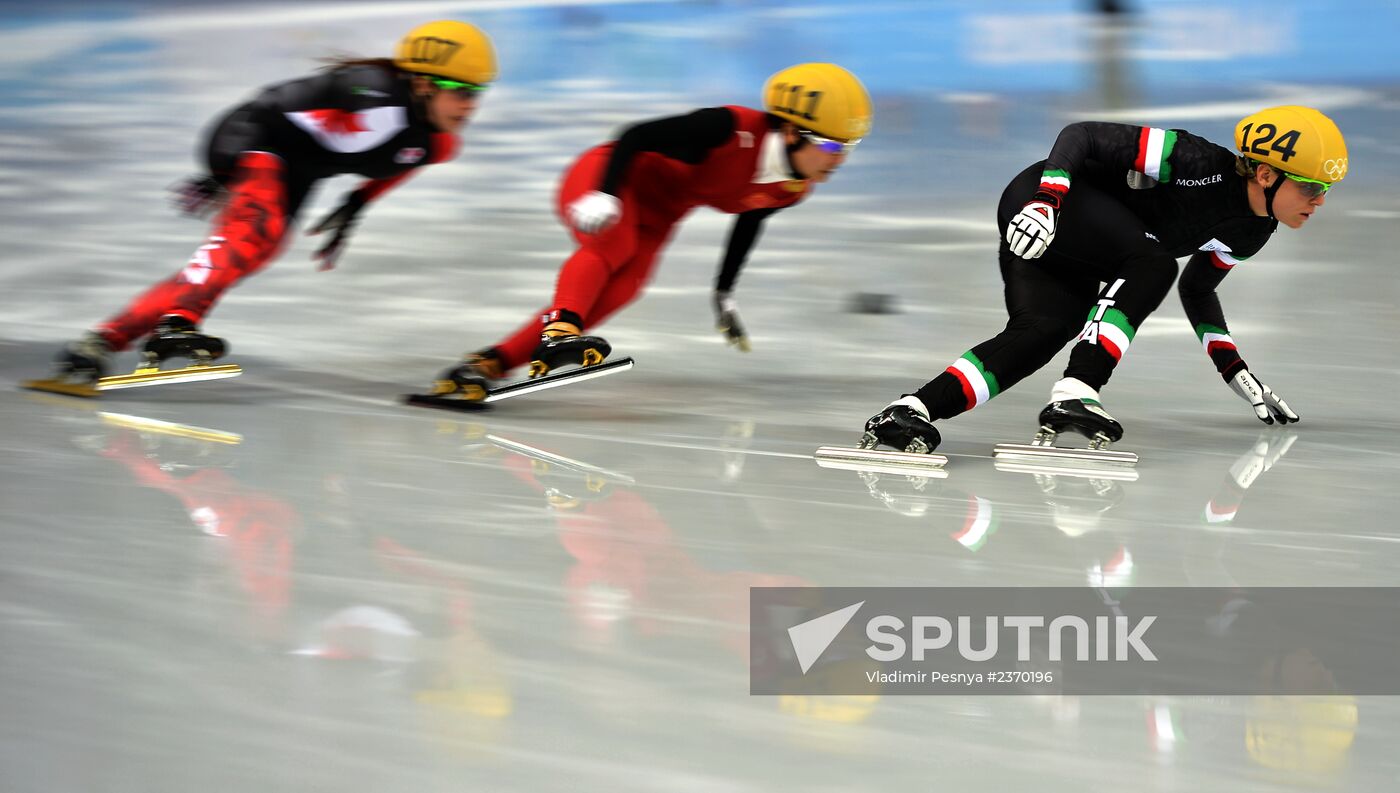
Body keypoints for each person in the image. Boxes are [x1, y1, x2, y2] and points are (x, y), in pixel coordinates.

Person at [860, 106, 1348, 453]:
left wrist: (1231, 367)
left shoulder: (1252, 232)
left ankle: (912, 410)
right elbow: (1083, 135)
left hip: (1085, 249)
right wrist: (1046, 202)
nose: (1320, 200)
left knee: (1045, 329)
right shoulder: (1195, 160)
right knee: (1154, 261)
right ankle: (1077, 392)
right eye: (1312, 186)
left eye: (1326, 189)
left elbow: (1199, 289)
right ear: (1266, 174)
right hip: (1042, 202)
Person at [42, 20, 497, 383]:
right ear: (421, 84)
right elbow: (268, 103)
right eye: (461, 92)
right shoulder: (371, 88)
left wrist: (359, 200)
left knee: (254, 250)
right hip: (255, 137)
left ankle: (101, 341)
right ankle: (179, 322)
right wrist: (221, 172)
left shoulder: (438, 142)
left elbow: (406, 160)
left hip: (298, 171)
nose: (470, 106)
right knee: (252, 233)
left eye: (478, 94)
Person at [431, 63, 872, 395]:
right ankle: (559, 333)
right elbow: (636, 135)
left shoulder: (793, 188)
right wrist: (605, 193)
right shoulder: (729, 128)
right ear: (793, 130)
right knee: (614, 246)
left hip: (661, 214)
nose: (839, 158)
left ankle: (492, 362)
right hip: (611, 177)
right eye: (832, 144)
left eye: (849, 147)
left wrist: (723, 292)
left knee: (627, 286)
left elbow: (749, 220)